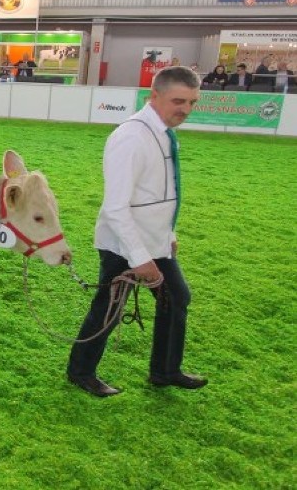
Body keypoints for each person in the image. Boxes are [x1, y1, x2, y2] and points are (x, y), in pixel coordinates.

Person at [67, 66, 207, 397]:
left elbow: (158, 193)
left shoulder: (163, 132)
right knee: (109, 311)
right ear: (153, 96)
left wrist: (167, 234)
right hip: (124, 245)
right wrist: (140, 258)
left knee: (176, 298)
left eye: (191, 102)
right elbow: (116, 207)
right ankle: (81, 372)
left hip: (155, 242)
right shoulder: (131, 136)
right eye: (178, 101)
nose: (185, 109)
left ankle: (165, 371)